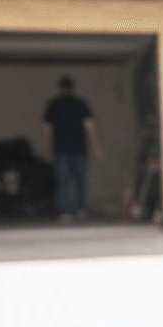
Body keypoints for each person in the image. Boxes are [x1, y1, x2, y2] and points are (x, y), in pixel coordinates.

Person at [42, 76, 103, 222]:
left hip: (62, 150)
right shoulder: (80, 104)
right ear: (72, 88)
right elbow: (90, 126)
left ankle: (67, 212)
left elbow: (47, 129)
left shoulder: (54, 104)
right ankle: (80, 210)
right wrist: (97, 147)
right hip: (79, 149)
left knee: (64, 182)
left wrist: (48, 150)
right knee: (79, 181)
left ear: (60, 87)